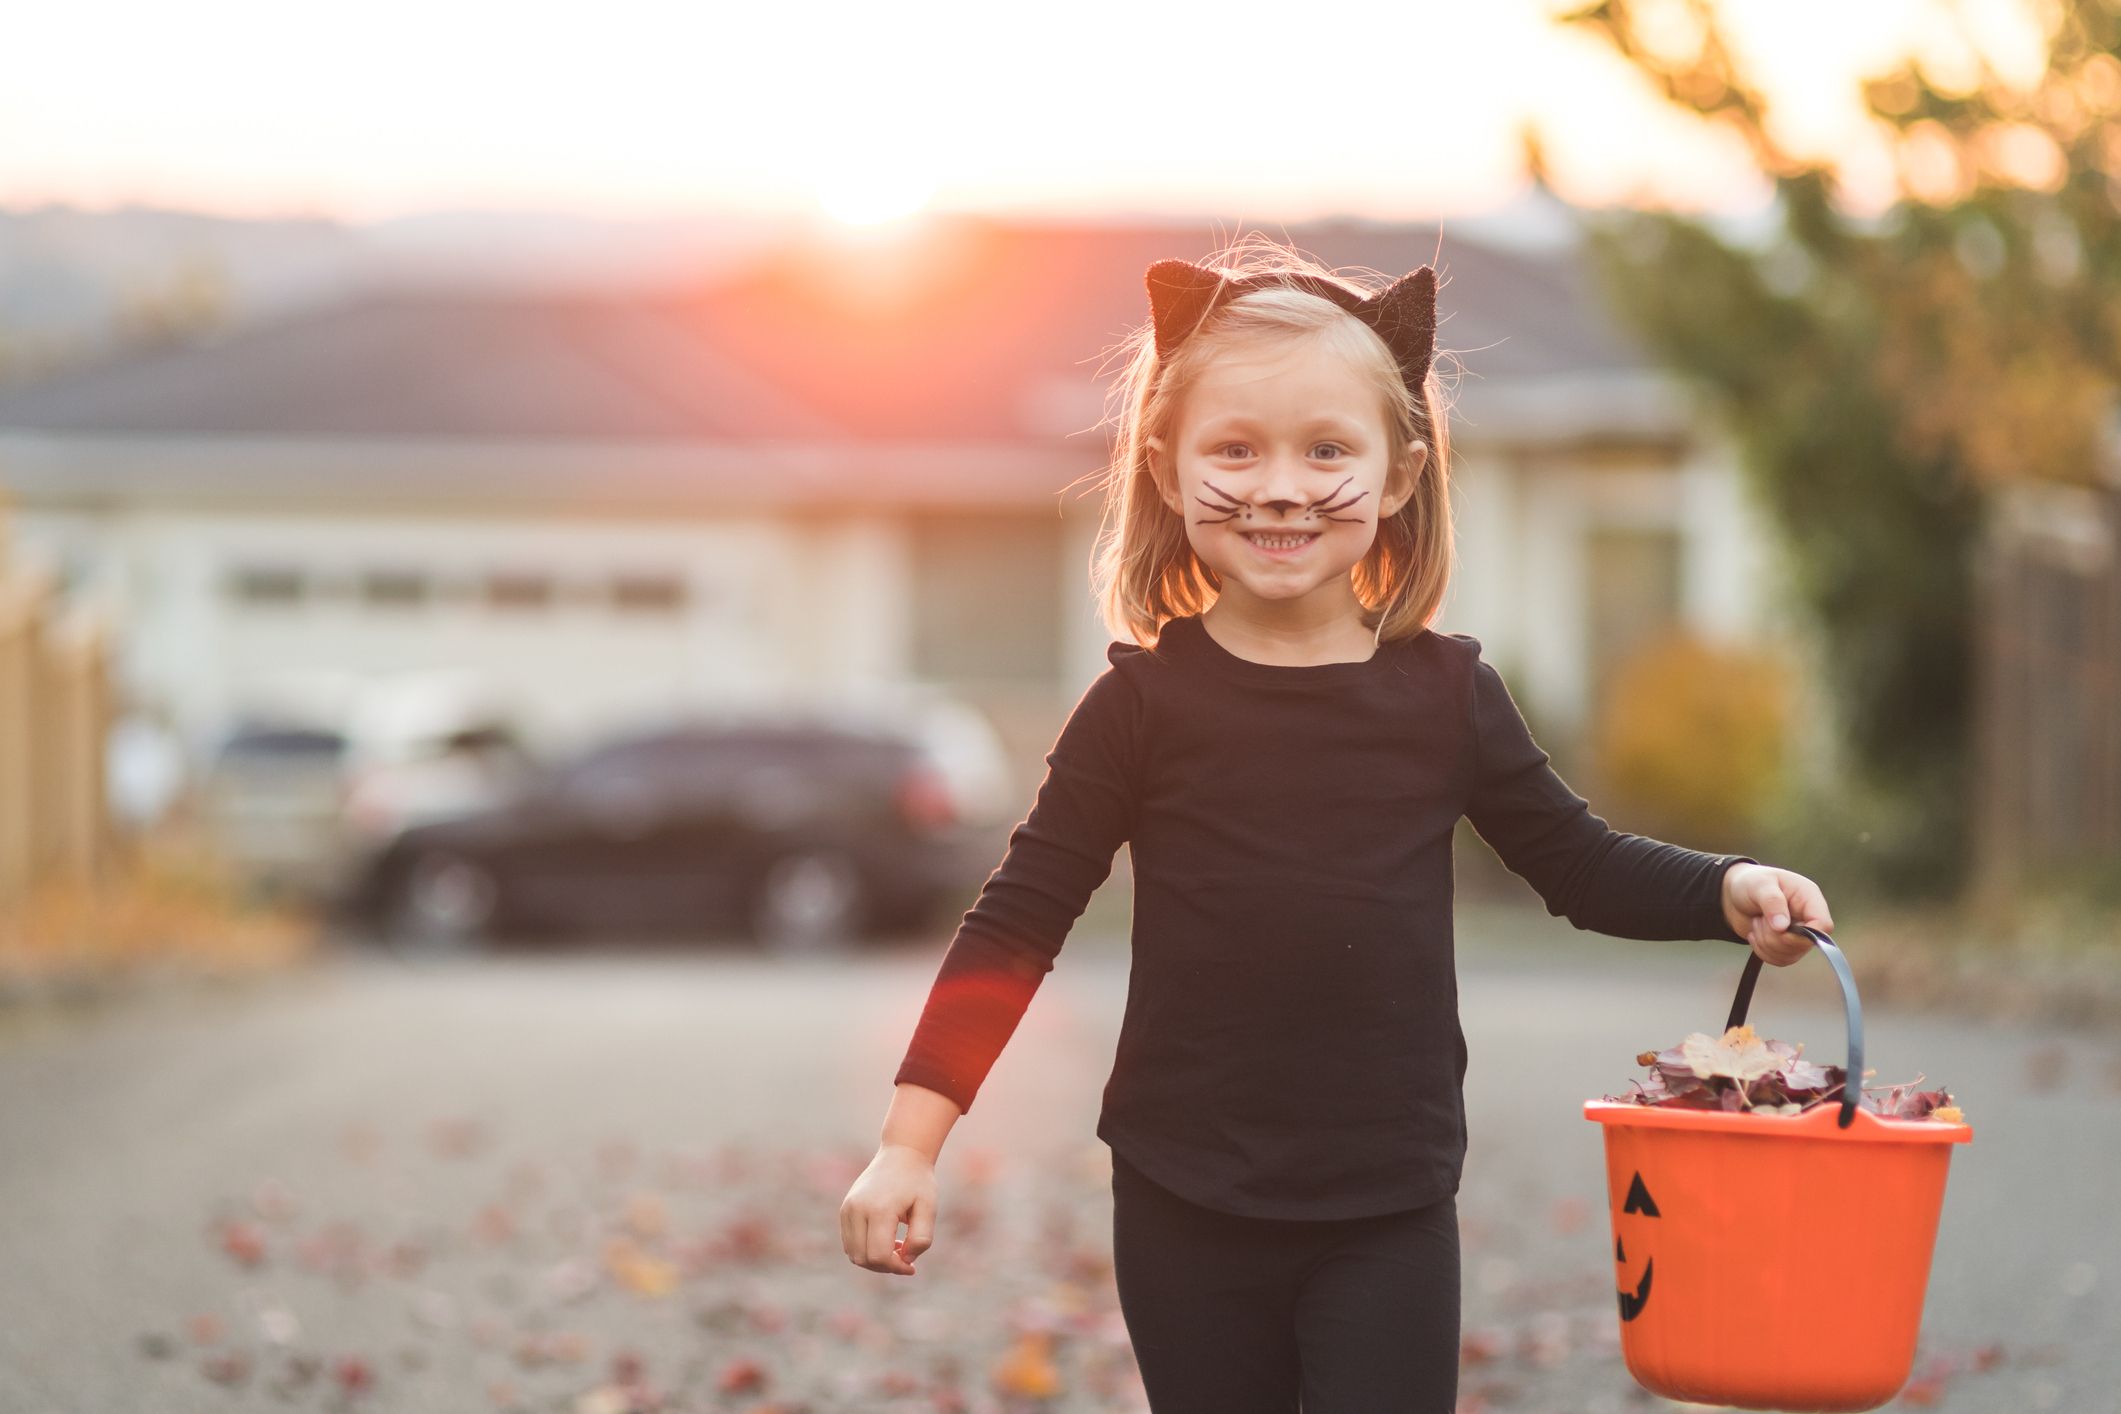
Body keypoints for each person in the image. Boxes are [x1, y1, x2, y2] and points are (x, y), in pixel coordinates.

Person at [837, 234, 1835, 1413]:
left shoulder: (1448, 697)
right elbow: (1018, 922)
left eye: (1326, 449)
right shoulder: (1140, 707)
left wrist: (1724, 889)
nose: (1279, 487)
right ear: (1165, 467)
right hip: (1183, 1194)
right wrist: (911, 1142)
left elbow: (1576, 863)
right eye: (1236, 449)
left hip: (1389, 1203)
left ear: (1400, 474)